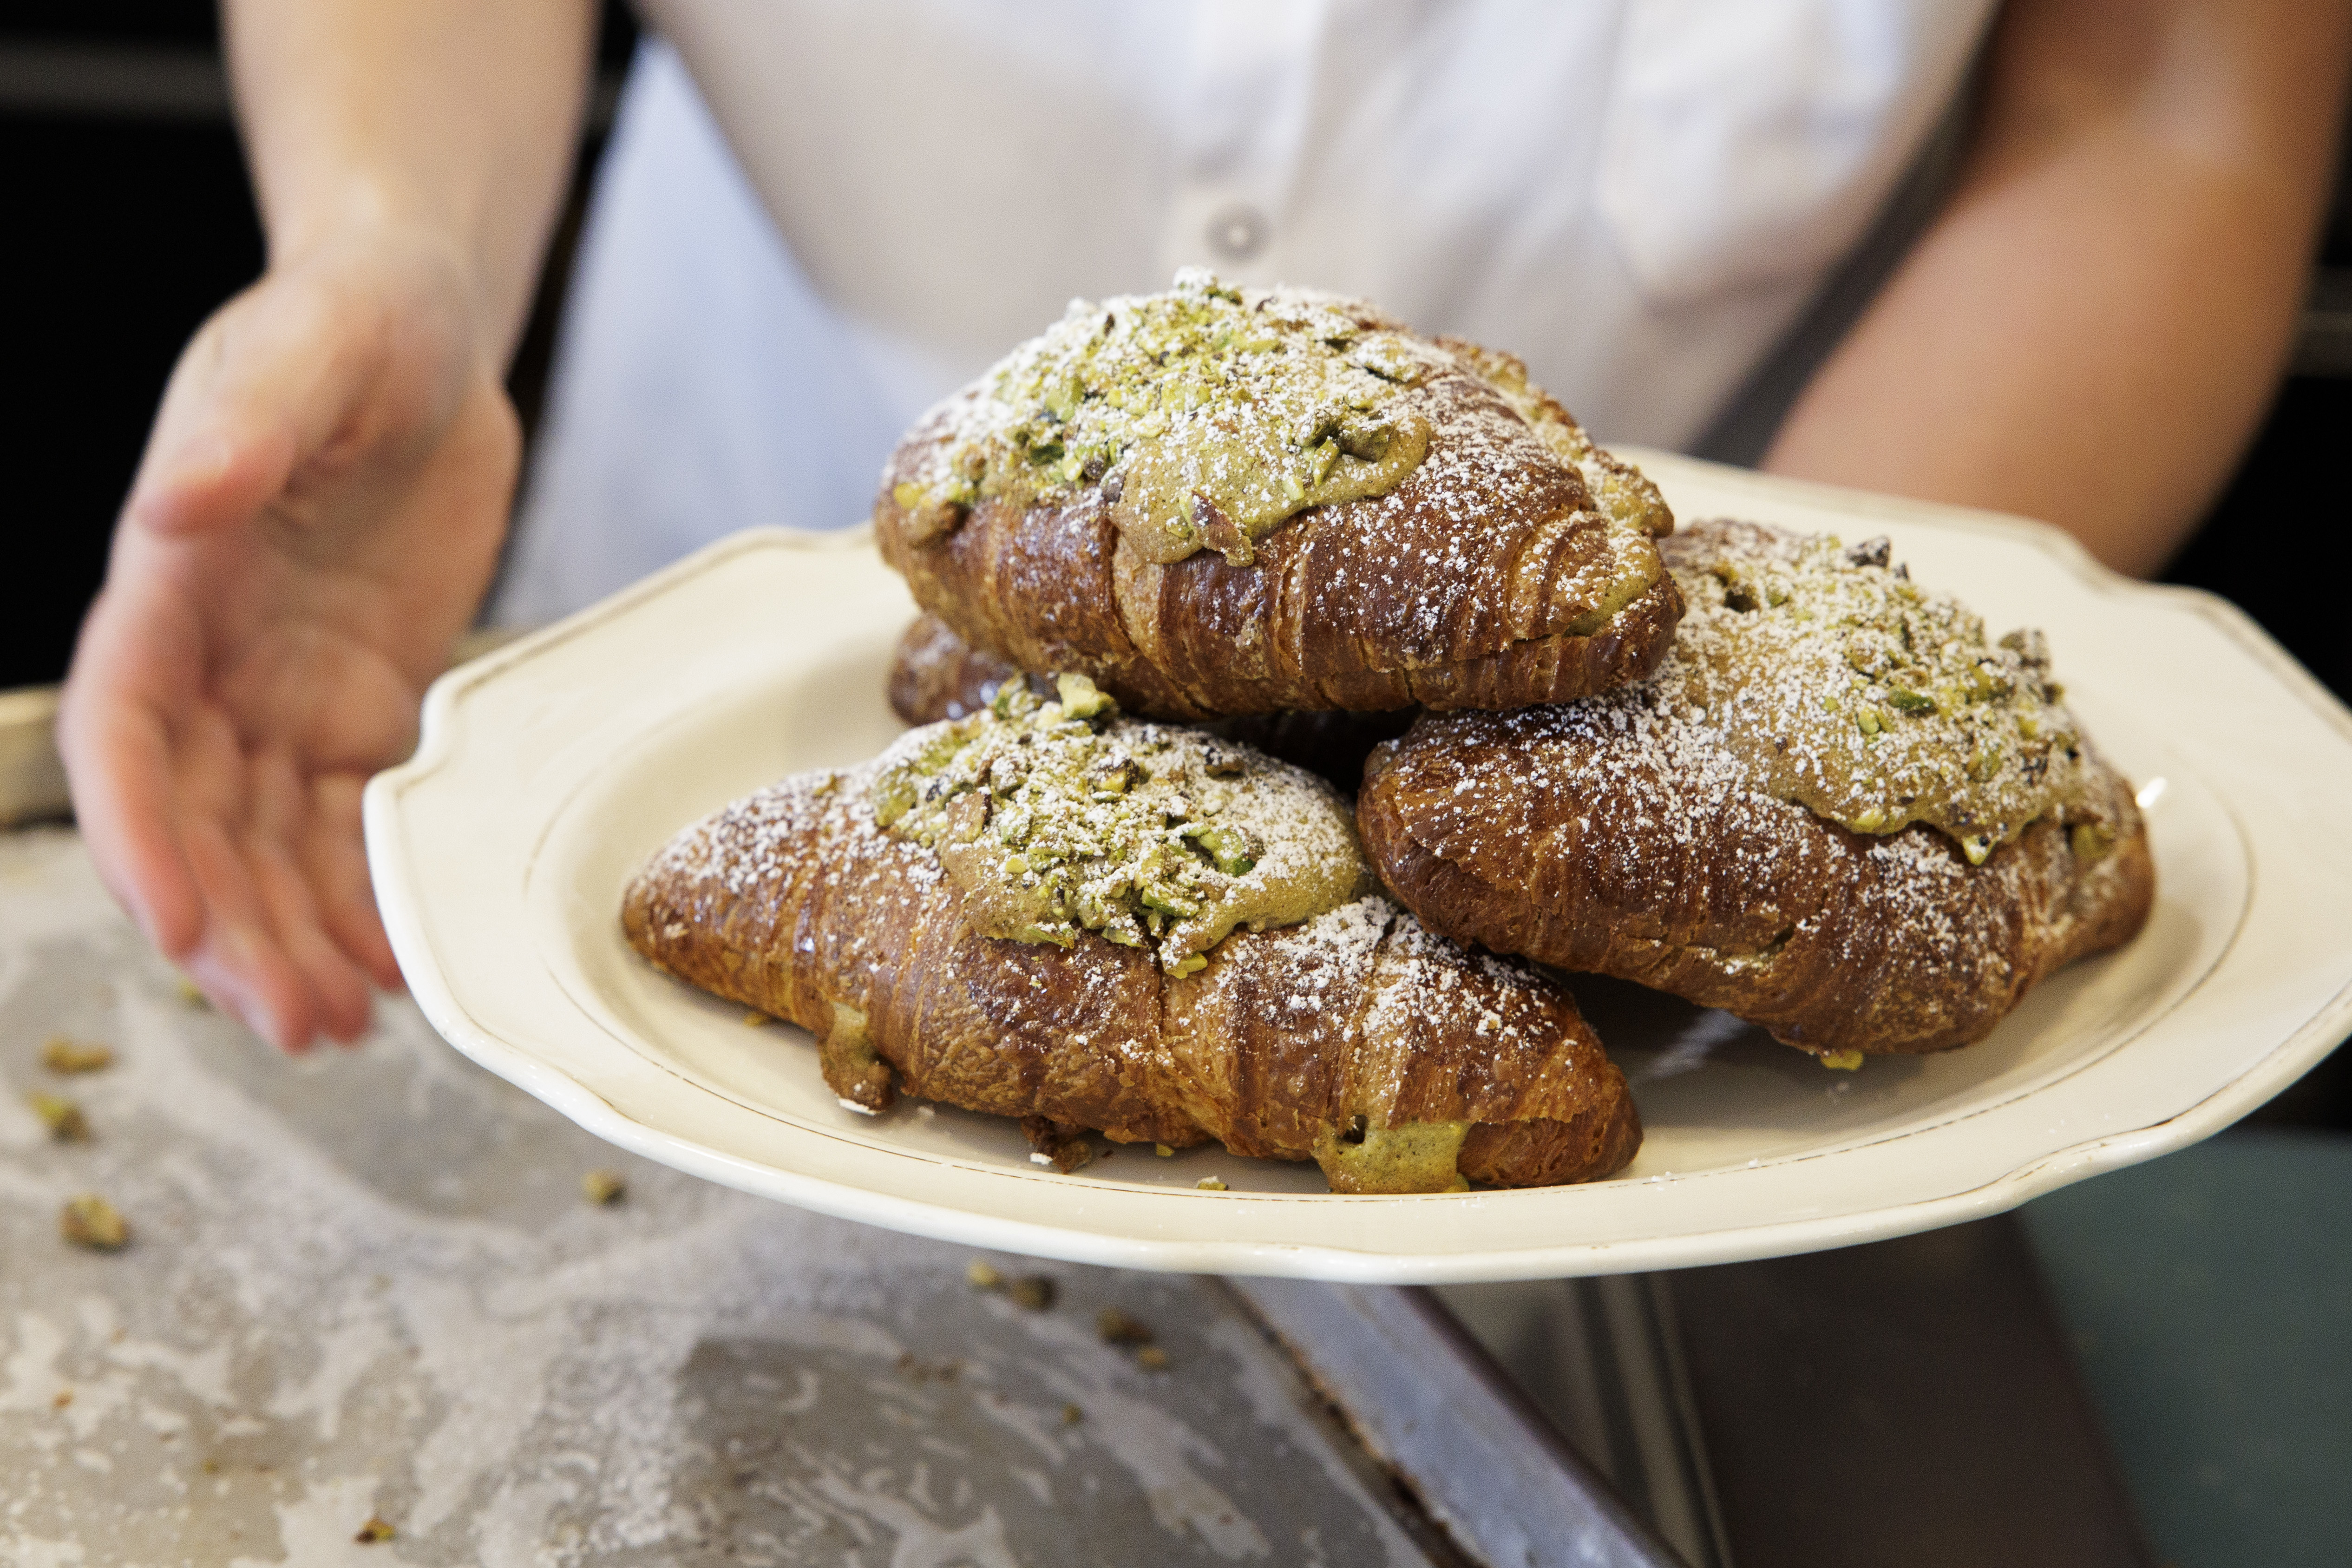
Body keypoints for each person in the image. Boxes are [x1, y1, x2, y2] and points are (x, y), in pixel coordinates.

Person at [56, 0, 2352, 1052]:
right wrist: (393, 248)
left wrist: (1770, 776)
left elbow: (2163, 87)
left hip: (1725, 860)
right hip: (729, 642)